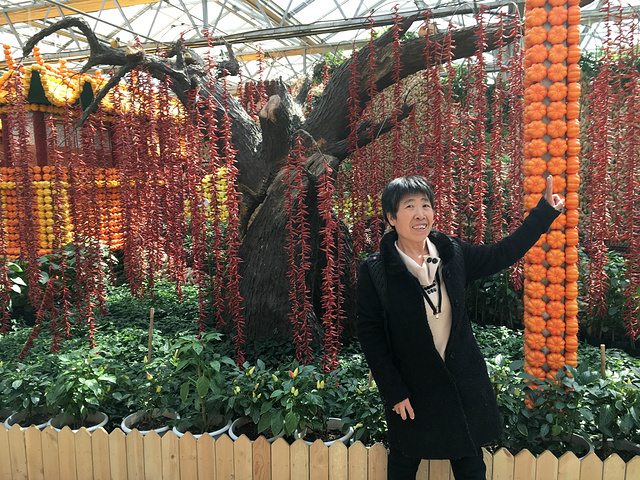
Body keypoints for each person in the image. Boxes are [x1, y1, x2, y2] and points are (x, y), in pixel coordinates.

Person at [356, 175, 564, 480]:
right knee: (403, 465)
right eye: (409, 206)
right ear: (391, 217)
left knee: (471, 467)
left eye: (425, 205)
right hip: (413, 390)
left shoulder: (452, 253)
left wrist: (543, 213)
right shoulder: (376, 271)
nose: (420, 214)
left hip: (461, 384)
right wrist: (393, 391)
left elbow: (501, 253)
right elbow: (370, 336)